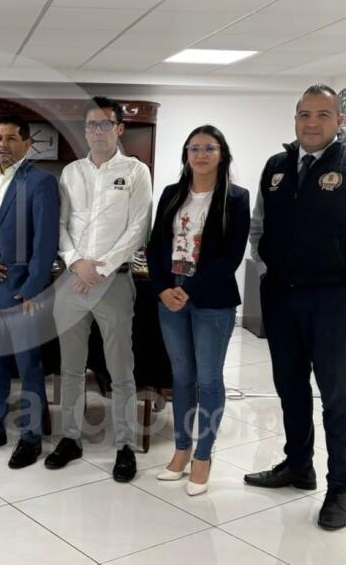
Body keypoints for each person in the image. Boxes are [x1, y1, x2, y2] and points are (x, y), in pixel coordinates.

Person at [245, 84, 346, 530]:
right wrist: (265, 267)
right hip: (281, 296)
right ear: (295, 118)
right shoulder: (276, 167)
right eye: (304, 114)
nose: (312, 123)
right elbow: (258, 227)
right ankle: (298, 465)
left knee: (335, 397)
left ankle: (340, 488)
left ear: (339, 121)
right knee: (289, 388)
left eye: (323, 115)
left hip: (332, 300)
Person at [46, 96, 152, 482]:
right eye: (91, 125)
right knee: (71, 368)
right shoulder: (71, 172)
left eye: (105, 124)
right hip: (72, 281)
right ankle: (70, 438)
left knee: (120, 369)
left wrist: (101, 268)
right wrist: (77, 262)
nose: (97, 131)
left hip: (115, 282)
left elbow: (139, 228)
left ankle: (125, 445)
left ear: (119, 129)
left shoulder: (136, 171)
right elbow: (60, 224)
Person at [146, 125, 249, 495]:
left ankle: (203, 456)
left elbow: (231, 257)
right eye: (194, 148)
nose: (201, 155)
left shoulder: (236, 198)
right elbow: (155, 245)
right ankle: (181, 451)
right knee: (181, 378)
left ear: (222, 154)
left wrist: (186, 290)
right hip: (170, 297)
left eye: (209, 148)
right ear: (186, 154)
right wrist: (162, 289)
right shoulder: (172, 194)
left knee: (208, 380)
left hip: (211, 300)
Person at [0, 115, 60, 469]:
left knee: (29, 367)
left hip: (21, 292)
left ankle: (31, 439)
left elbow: (46, 241)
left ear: (27, 144)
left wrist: (33, 287)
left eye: (10, 138)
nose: (2, 145)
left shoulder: (41, 182)